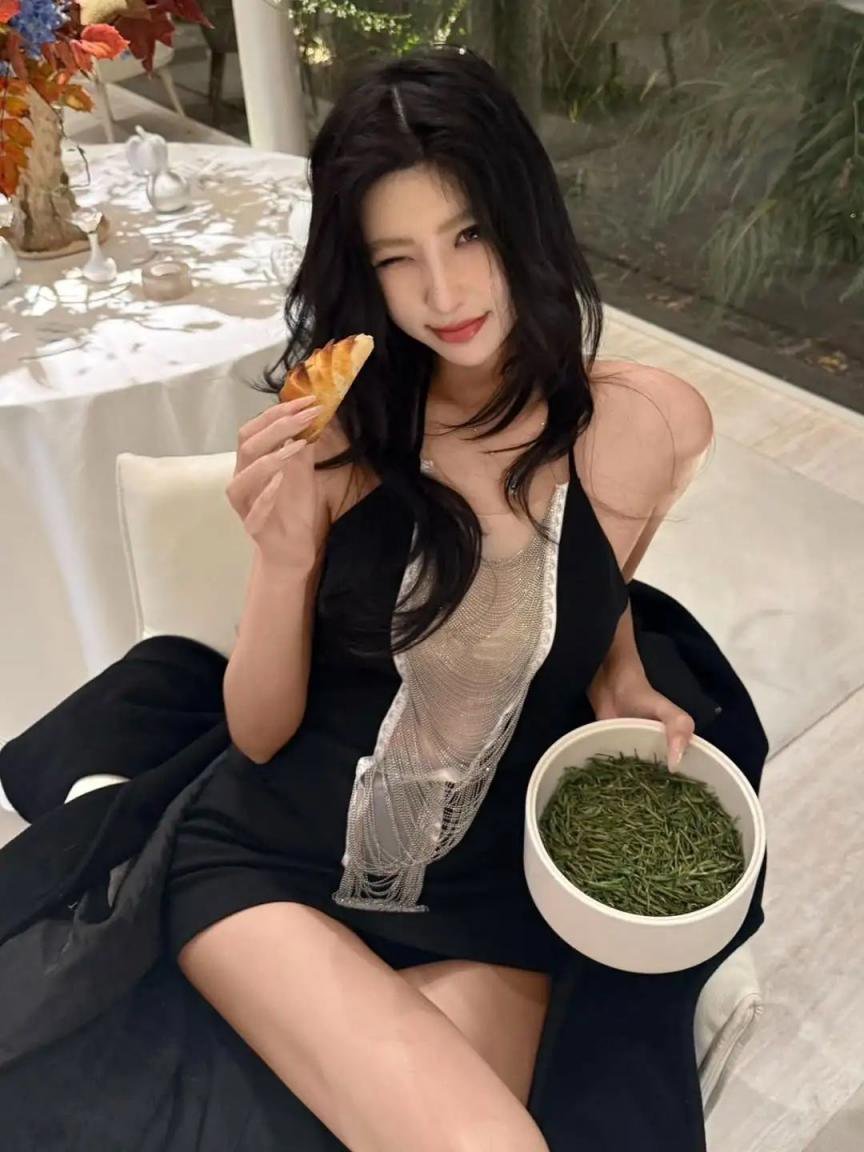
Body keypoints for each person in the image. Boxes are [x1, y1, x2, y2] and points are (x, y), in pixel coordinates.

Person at [0, 45, 769, 1152]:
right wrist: (282, 562)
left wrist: (624, 676)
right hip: (272, 862)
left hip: (487, 889)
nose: (443, 294)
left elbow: (599, 589)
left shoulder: (649, 427)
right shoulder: (338, 442)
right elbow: (257, 735)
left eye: (469, 235)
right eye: (397, 259)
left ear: (526, 220)